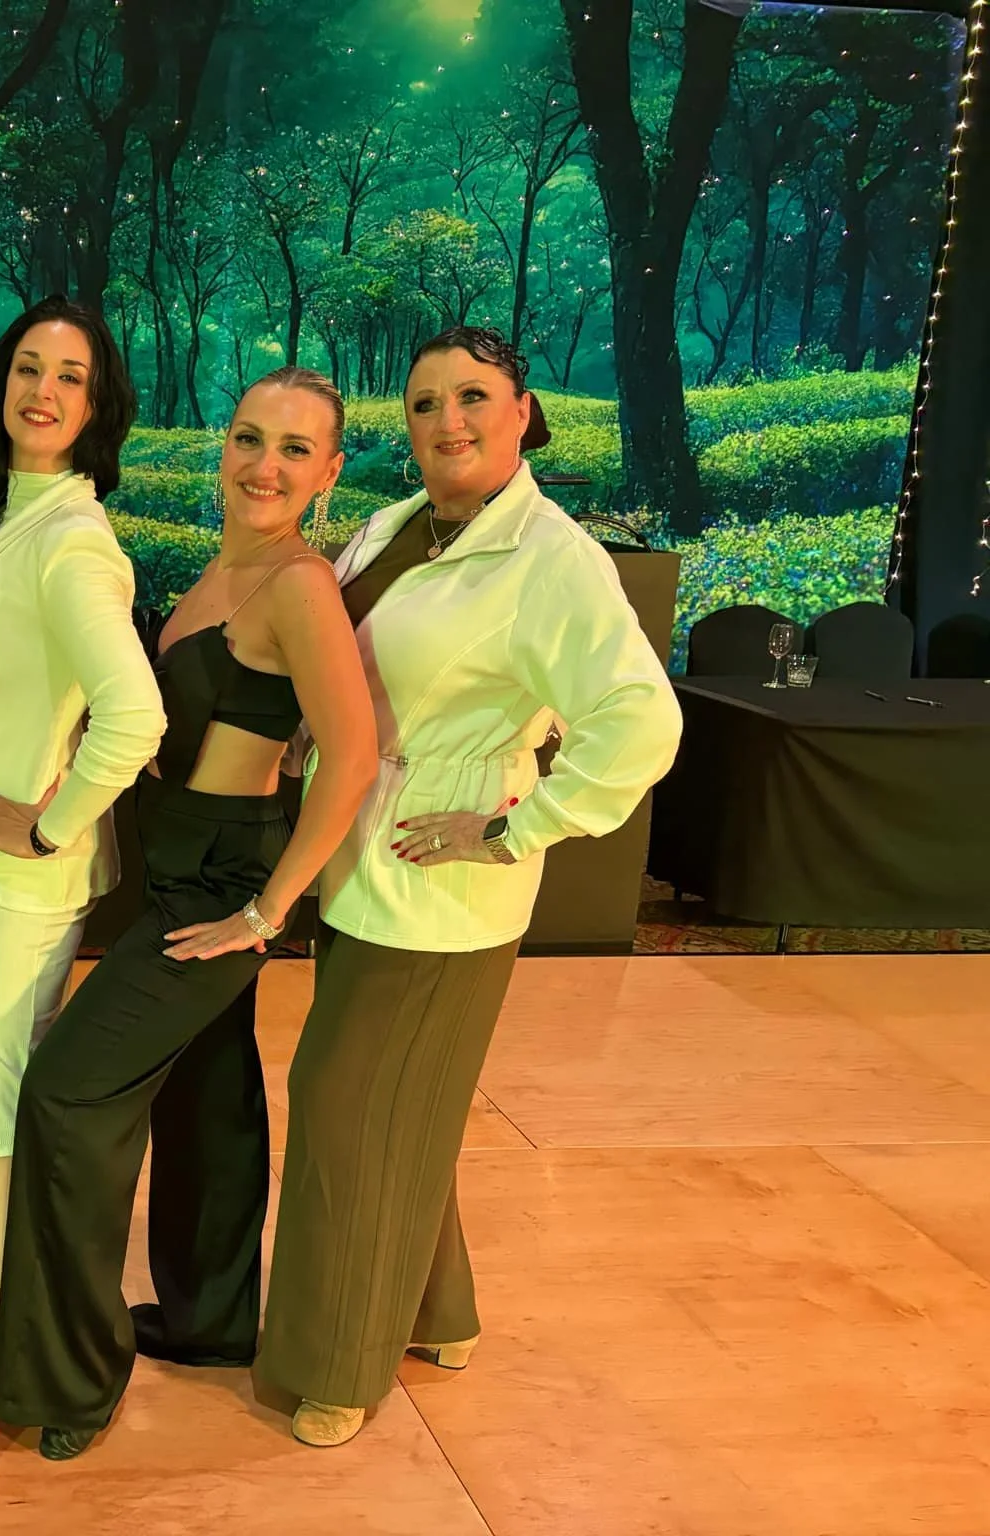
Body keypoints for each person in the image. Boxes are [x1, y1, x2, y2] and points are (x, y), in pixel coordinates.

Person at [256, 326, 682, 1448]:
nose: (447, 421)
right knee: (405, 1101)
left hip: (440, 888)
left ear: (523, 408)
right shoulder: (401, 525)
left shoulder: (550, 560)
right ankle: (438, 1311)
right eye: (424, 402)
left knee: (347, 1104)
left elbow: (640, 723)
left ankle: (337, 1362)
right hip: (356, 855)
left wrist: (513, 826)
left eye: (473, 397)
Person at [0, 368, 379, 1463]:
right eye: (250, 438)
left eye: (295, 450)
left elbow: (346, 759)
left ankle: (70, 1371)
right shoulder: (229, 565)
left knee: (66, 1094)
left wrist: (265, 910)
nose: (264, 465)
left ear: (329, 473)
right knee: (207, 1097)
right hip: (175, 865)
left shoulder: (298, 584)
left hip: (219, 881)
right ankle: (208, 1321)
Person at [0, 295, 166, 1496]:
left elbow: (137, 713)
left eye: (69, 375)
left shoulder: (71, 541)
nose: (42, 391)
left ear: (97, 403)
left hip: (20, 879)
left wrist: (50, 821)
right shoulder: (0, 513)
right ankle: (4, 1303)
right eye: (26, 367)